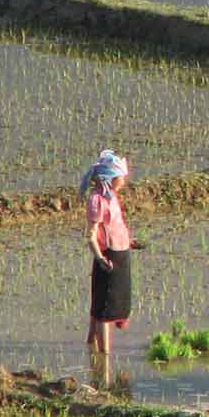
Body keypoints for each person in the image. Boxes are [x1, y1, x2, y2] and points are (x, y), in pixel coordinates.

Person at [81, 149, 135, 355]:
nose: (124, 181)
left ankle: (92, 347)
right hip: (108, 256)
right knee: (104, 309)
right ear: (111, 178)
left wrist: (130, 241)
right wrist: (100, 257)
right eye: (121, 177)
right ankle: (104, 355)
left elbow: (117, 225)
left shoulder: (111, 196)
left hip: (122, 253)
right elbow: (91, 234)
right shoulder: (97, 200)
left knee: (115, 303)